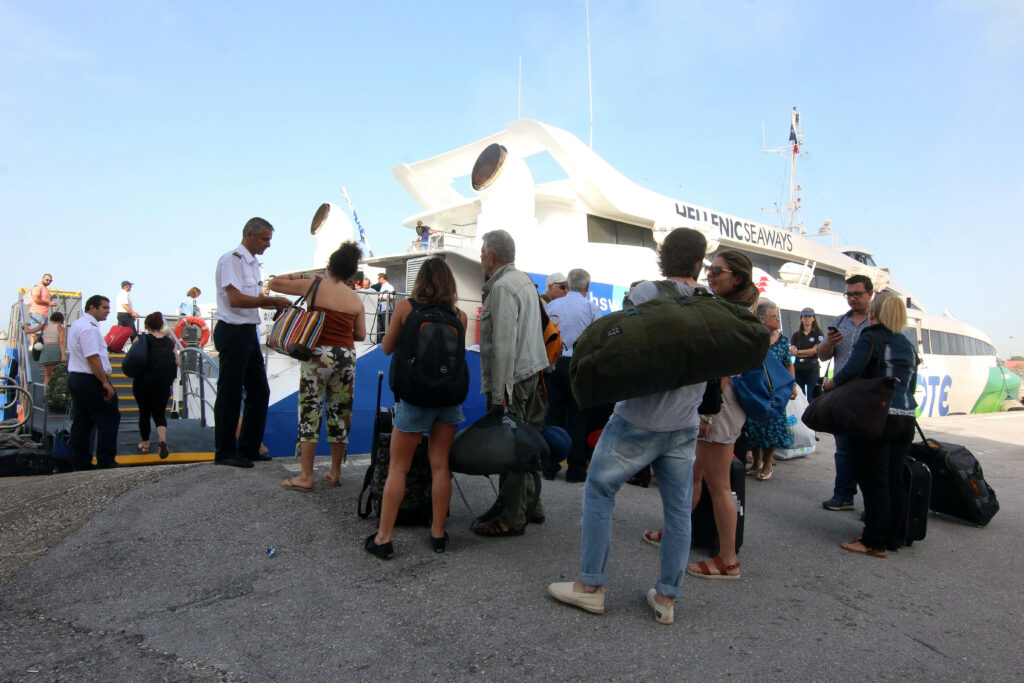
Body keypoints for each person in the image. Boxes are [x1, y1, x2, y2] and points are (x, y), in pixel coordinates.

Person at [547, 228, 707, 625]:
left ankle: (591, 586)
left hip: (639, 417)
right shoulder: (710, 303)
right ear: (700, 263)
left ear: (662, 258)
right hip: (685, 420)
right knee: (677, 510)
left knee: (600, 490)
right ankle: (667, 597)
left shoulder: (648, 294)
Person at [644, 250, 759, 580]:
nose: (710, 273)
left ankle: (728, 559)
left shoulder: (731, 311)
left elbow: (723, 365)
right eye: (710, 267)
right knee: (694, 474)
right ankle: (672, 531)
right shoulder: (733, 307)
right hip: (719, 402)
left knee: (718, 484)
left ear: (736, 278)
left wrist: (708, 415)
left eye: (718, 270)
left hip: (720, 403)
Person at [365, 258, 467, 558]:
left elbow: (386, 348)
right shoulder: (459, 316)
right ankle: (437, 533)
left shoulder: (406, 308)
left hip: (415, 397)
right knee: (440, 466)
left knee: (399, 467)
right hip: (448, 400)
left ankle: (384, 538)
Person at [823, 293, 918, 557]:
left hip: (876, 417)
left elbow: (851, 370)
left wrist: (828, 385)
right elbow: (912, 385)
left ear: (874, 312)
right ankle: (893, 536)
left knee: (873, 479)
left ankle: (873, 541)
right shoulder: (907, 344)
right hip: (905, 417)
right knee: (894, 478)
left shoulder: (871, 336)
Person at [268, 242, 366, 490]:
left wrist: (307, 276)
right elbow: (361, 335)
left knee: (310, 411)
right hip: (346, 357)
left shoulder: (314, 285)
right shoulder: (356, 299)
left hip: (318, 356)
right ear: (350, 273)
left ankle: (306, 476)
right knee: (340, 413)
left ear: (330, 265)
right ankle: (335, 472)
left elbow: (274, 282)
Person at [472, 229, 549, 537]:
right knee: (527, 445)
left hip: (514, 379)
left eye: (481, 253)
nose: (480, 258)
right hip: (532, 372)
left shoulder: (502, 288)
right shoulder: (525, 281)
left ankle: (510, 518)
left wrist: (499, 393)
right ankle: (532, 505)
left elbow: (503, 344)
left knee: (512, 448)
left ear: (491, 255)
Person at [212, 217, 291, 469]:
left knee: (259, 391)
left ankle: (248, 448)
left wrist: (274, 302)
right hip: (233, 331)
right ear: (249, 235)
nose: (268, 244)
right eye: (264, 238)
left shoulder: (254, 264)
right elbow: (235, 299)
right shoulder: (232, 260)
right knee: (231, 393)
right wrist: (269, 301)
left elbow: (251, 298)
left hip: (247, 331)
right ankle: (225, 452)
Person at [817, 274, 874, 511]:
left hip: (870, 393)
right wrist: (829, 342)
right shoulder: (840, 322)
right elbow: (822, 355)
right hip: (842, 394)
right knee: (843, 449)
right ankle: (843, 495)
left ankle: (873, 504)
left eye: (857, 294)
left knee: (871, 451)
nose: (852, 299)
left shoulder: (878, 321)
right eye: (848, 294)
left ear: (870, 294)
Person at [543, 268, 600, 482]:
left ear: (568, 284)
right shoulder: (591, 308)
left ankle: (549, 465)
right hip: (579, 366)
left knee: (553, 415)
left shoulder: (552, 305)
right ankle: (576, 469)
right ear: (587, 287)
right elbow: (597, 340)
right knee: (578, 418)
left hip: (554, 364)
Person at [745, 300, 797, 481]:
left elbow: (788, 364)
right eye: (774, 317)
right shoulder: (754, 338)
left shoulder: (782, 340)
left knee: (774, 426)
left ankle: (768, 464)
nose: (778, 320)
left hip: (777, 391)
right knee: (755, 425)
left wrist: (793, 385)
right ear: (762, 319)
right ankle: (756, 462)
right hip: (757, 389)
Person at [66, 295, 120, 470]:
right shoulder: (89, 329)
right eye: (104, 308)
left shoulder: (77, 325)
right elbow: (92, 357)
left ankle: (81, 462)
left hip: (77, 377)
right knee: (109, 417)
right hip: (91, 379)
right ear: (92, 307)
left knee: (83, 421)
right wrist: (105, 383)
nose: (108, 311)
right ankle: (106, 460)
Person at [132, 312, 179, 458]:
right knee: (159, 413)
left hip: (143, 382)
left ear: (147, 325)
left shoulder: (141, 339)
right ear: (161, 325)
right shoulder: (170, 342)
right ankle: (162, 441)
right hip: (163, 383)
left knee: (144, 413)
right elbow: (177, 362)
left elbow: (133, 358)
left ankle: (145, 445)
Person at [22, 311, 67, 387]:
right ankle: (54, 396)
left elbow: (28, 331)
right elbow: (62, 342)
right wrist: (63, 355)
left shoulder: (44, 326)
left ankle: (46, 395)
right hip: (56, 351)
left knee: (47, 376)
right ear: (61, 320)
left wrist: (25, 326)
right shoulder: (61, 328)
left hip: (45, 351)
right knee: (57, 376)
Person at [791, 307, 824, 400]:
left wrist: (798, 352)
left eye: (809, 316)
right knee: (800, 397)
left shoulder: (818, 334)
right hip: (798, 367)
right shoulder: (796, 335)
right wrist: (806, 352)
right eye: (805, 316)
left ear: (813, 318)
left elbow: (814, 351)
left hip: (812, 366)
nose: (807, 319)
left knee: (812, 396)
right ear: (801, 318)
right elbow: (792, 352)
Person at [26, 273, 57, 346]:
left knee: (41, 333)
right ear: (42, 279)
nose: (48, 282)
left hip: (44, 314)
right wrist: (48, 303)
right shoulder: (38, 287)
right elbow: (36, 299)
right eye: (47, 280)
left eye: (50, 281)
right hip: (37, 312)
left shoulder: (45, 289)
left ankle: (37, 348)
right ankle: (32, 347)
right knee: (35, 331)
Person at [374, 273, 395, 343]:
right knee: (381, 327)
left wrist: (381, 298)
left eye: (378, 278)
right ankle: (383, 340)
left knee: (386, 326)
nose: (378, 280)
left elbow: (392, 297)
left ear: (382, 278)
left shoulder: (389, 286)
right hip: (381, 309)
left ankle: (388, 341)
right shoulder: (382, 286)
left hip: (386, 309)